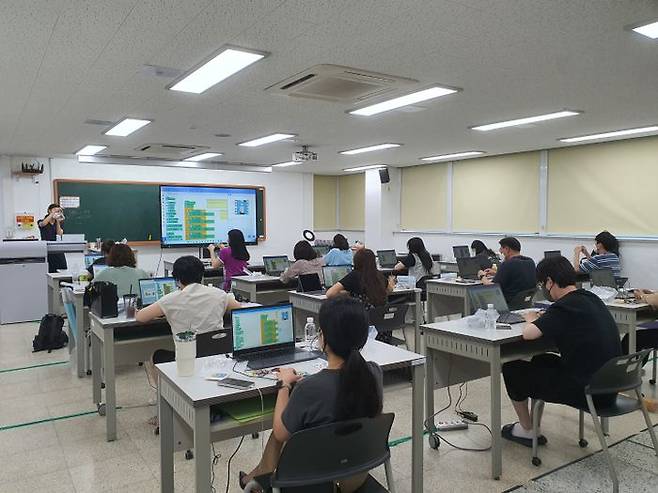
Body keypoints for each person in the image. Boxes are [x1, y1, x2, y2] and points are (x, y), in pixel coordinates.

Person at [240, 297, 383, 492]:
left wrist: (284, 385)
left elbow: (281, 433)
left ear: (324, 337)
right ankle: (253, 478)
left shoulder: (309, 388)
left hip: (314, 478)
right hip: (354, 472)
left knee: (278, 433)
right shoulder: (374, 373)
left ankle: (255, 481)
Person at [501, 256, 621, 446]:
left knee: (511, 369)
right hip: (610, 385)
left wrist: (532, 318)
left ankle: (526, 430)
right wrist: (548, 319)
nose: (543, 289)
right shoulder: (590, 298)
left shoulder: (564, 306)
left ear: (550, 282)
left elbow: (529, 334)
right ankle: (532, 426)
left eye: (542, 284)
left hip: (589, 391)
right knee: (543, 360)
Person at [136, 255, 241, 427]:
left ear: (177, 279)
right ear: (201, 275)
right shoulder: (219, 294)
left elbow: (141, 318)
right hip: (217, 359)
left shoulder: (169, 299)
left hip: (187, 362)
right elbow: (238, 309)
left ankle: (164, 410)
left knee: (156, 356)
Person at [326, 249, 394, 308]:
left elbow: (330, 293)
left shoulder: (354, 275)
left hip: (360, 317)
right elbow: (389, 290)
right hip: (378, 316)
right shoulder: (379, 275)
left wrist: (347, 293)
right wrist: (391, 282)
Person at [481, 237, 536, 303]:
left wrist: (482, 276)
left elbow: (493, 288)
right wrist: (496, 273)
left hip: (508, 303)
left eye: (501, 248)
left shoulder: (507, 264)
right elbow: (516, 275)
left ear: (507, 249)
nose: (500, 251)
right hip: (525, 303)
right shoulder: (530, 261)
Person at [38, 203, 67, 273]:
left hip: (58, 249)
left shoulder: (59, 223)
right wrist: (52, 214)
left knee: (62, 269)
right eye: (54, 210)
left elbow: (59, 233)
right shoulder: (41, 221)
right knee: (49, 270)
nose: (57, 212)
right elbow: (43, 224)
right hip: (47, 249)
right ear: (49, 211)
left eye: (58, 211)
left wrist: (57, 220)